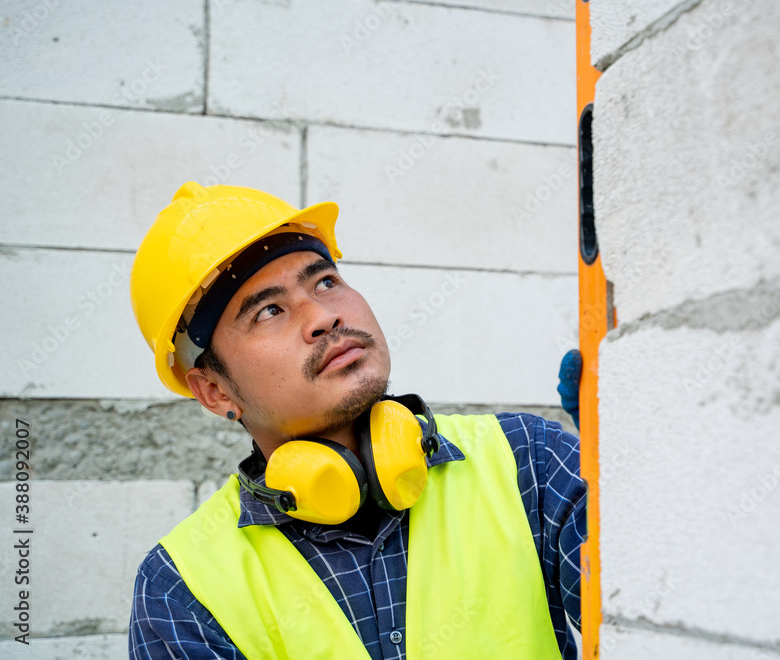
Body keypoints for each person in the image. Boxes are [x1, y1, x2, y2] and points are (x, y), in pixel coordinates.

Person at [127, 182, 587, 659]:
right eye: (269, 311)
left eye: (325, 282)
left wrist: (631, 461)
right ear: (215, 390)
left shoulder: (529, 462)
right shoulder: (182, 591)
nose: (323, 316)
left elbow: (649, 603)